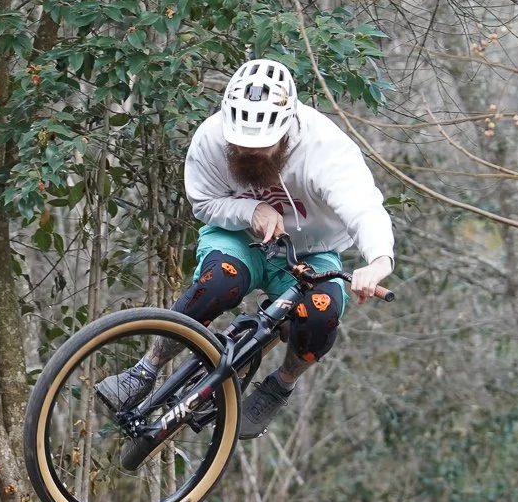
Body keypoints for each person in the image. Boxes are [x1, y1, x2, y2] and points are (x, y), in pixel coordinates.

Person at [96, 57, 395, 439]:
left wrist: (378, 260)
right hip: (238, 237)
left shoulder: (326, 149)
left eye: (262, 147)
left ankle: (280, 385)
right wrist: (249, 209)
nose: (251, 153)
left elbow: (365, 209)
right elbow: (202, 202)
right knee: (219, 282)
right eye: (242, 145)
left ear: (287, 130)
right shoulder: (211, 138)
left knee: (321, 315)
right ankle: (146, 368)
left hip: (310, 252)